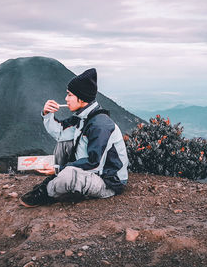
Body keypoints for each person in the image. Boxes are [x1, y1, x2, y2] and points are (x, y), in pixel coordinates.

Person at [20, 68, 129, 207]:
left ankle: (48, 192)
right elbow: (60, 132)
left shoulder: (100, 125)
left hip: (109, 181)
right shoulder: (83, 118)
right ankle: (59, 182)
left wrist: (59, 169)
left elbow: (94, 163)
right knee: (63, 143)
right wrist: (47, 114)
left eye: (69, 95)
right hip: (90, 172)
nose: (66, 99)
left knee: (69, 175)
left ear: (81, 98)